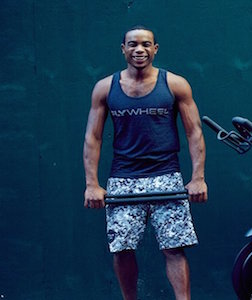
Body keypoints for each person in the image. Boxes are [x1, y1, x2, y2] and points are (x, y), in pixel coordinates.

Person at [83, 25, 208, 300]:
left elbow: (194, 132)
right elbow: (93, 137)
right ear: (123, 49)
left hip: (166, 177)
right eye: (133, 44)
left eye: (145, 44)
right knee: (122, 248)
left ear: (155, 49)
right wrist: (92, 184)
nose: (139, 49)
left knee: (174, 247)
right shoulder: (105, 88)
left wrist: (198, 177)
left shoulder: (175, 84)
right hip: (124, 178)